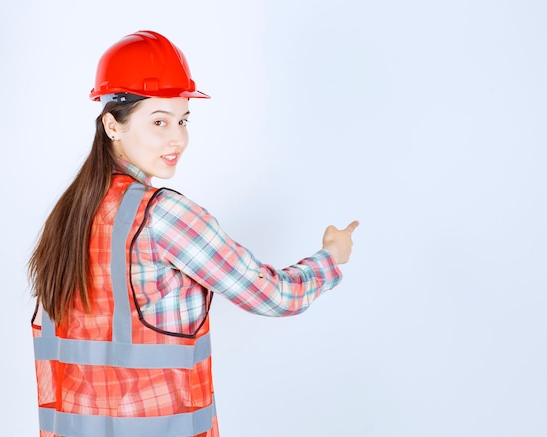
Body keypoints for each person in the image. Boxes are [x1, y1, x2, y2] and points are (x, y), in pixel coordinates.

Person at [29, 30, 359, 437]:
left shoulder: (68, 215)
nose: (178, 138)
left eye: (183, 120)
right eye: (159, 122)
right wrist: (330, 258)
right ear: (112, 126)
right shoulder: (164, 215)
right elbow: (275, 296)